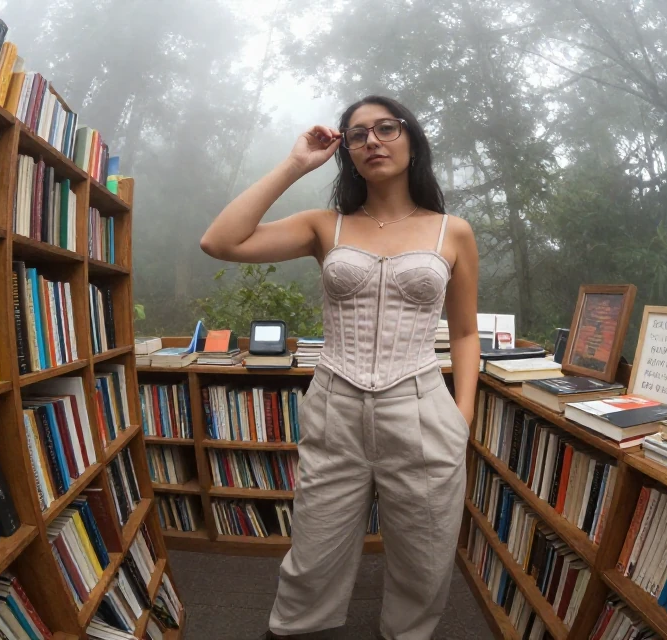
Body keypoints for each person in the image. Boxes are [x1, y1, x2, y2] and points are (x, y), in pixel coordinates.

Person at [200, 95, 480, 640]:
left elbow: (466, 333)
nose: (372, 140)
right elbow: (220, 241)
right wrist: (295, 164)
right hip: (336, 406)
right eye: (357, 135)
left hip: (422, 411)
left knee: (425, 559)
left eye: (385, 128)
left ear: (411, 139)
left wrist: (461, 417)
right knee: (313, 550)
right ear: (346, 151)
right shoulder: (325, 226)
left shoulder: (453, 232)